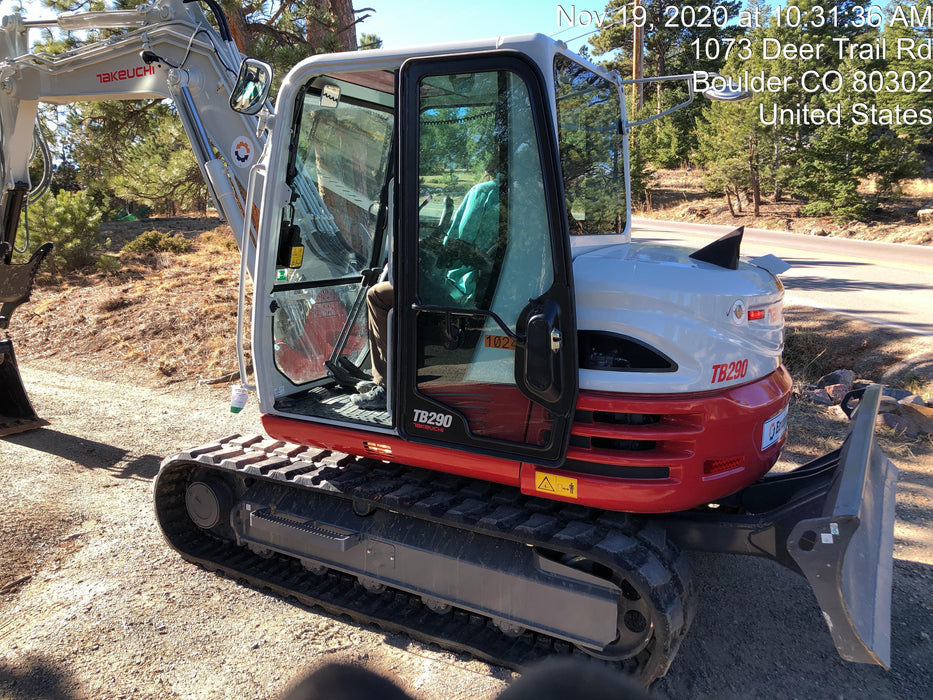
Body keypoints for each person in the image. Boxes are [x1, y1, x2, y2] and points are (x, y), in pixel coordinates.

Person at [351, 170, 501, 412]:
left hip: (463, 287)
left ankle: (386, 387)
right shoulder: (520, 194)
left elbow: (456, 242)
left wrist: (433, 246)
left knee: (377, 296)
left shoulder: (483, 192)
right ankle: (395, 374)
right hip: (490, 286)